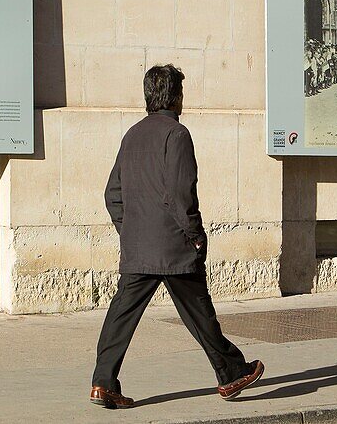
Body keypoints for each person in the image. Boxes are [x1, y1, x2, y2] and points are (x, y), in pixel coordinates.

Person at [89, 64, 263, 410]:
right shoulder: (177, 135)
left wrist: (132, 229)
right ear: (177, 97)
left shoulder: (132, 135)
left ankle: (102, 384)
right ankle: (229, 374)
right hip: (175, 247)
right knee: (200, 312)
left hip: (139, 249)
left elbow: (113, 194)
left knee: (120, 316)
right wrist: (196, 235)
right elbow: (180, 193)